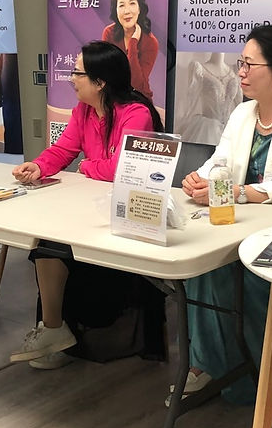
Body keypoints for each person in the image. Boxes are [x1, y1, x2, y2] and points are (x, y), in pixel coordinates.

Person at [179, 25, 272, 404]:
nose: (241, 73)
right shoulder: (242, 113)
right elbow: (219, 162)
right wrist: (201, 179)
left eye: (250, 65)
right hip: (243, 223)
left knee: (252, 277)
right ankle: (207, 365)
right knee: (201, 266)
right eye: (241, 63)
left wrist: (234, 193)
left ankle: (264, 378)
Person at [9, 40, 164, 369]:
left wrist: (88, 166)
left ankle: (59, 332)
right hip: (90, 206)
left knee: (57, 244)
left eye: (78, 73)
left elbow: (125, 170)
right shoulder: (84, 111)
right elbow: (63, 150)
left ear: (100, 82)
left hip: (129, 214)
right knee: (46, 242)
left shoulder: (137, 113)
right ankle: (54, 330)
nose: (71, 79)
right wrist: (38, 166)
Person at [101, 0, 160, 100]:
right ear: (116, 10)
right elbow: (107, 75)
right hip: (113, 99)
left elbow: (136, 84)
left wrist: (133, 43)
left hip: (139, 101)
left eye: (132, 3)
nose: (127, 11)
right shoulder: (109, 33)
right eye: (121, 5)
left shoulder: (151, 42)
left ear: (139, 8)